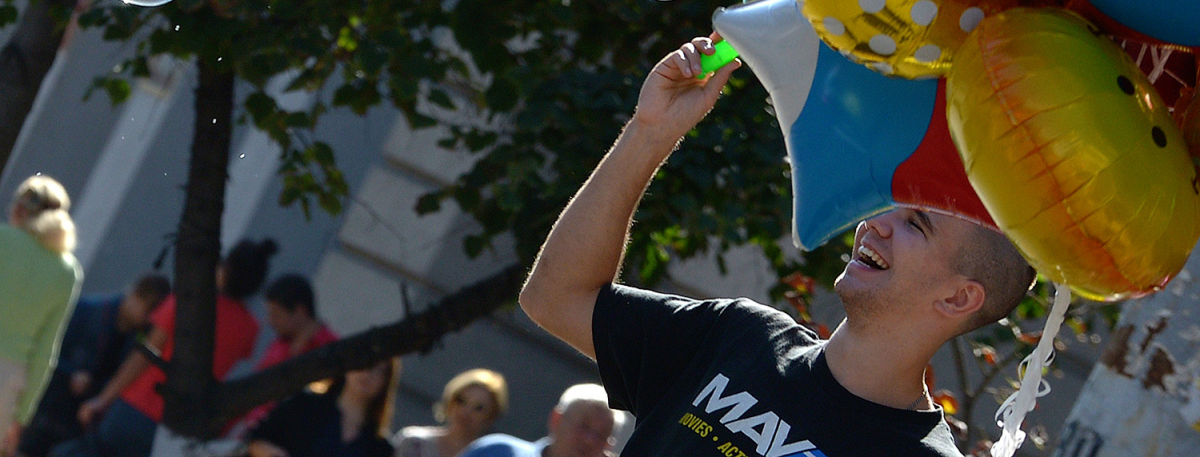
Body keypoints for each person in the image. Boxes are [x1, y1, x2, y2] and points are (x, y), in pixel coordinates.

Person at [518, 37, 1038, 457]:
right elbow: (553, 297)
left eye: (916, 225)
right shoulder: (738, 335)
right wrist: (650, 132)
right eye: (889, 205)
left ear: (958, 298)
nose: (875, 224)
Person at [58, 239, 277, 457]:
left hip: (134, 409)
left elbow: (144, 355)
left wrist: (103, 399)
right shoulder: (249, 328)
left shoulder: (189, 300)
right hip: (177, 427)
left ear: (224, 269)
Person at [18, 273, 171, 457]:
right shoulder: (88, 311)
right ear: (136, 296)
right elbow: (45, 352)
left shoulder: (139, 337)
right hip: (47, 414)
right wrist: (72, 372)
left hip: (76, 425)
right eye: (147, 311)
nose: (148, 320)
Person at [0, 176, 82, 457]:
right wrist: (20, 419)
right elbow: (47, 350)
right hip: (7, 384)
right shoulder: (67, 271)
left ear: (19, 209)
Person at [226, 274, 339, 437]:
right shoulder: (280, 345)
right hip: (252, 434)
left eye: (276, 314)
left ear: (300, 311)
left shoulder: (329, 349)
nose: (270, 321)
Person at [245, 357, 399, 457]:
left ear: (386, 381)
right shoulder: (304, 404)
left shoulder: (381, 449)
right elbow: (255, 439)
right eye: (363, 364)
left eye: (378, 369)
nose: (367, 373)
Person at [457, 384, 618, 457]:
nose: (590, 440)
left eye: (601, 435)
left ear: (608, 446)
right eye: (583, 426)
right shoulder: (497, 452)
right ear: (557, 419)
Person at [392, 368, 507, 457]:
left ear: (490, 417)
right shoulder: (413, 443)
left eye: (478, 408)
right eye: (461, 401)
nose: (465, 412)